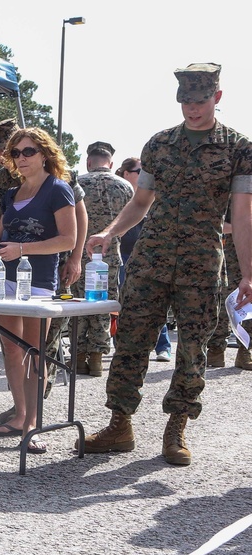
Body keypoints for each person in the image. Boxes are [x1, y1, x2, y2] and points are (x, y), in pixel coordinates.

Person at [84, 63, 252, 466]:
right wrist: (110, 233)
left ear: (217, 97)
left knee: (192, 348)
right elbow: (141, 202)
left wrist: (248, 273)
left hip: (200, 262)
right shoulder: (159, 144)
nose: (192, 109)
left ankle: (176, 428)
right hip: (151, 260)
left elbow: (244, 215)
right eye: (185, 101)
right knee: (131, 342)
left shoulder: (238, 148)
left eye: (200, 101)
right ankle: (119, 424)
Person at [0, 128, 77, 453]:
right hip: (6, 280)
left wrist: (22, 250)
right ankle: (19, 415)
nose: (21, 158)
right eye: (16, 153)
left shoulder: (58, 190)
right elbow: (2, 234)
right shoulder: (12, 193)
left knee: (33, 351)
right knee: (11, 348)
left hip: (39, 281)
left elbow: (67, 240)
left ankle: (32, 423)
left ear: (44, 154)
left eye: (28, 151)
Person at [72, 141, 134, 377]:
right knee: (101, 304)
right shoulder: (125, 186)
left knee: (78, 303)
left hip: (79, 255)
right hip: (109, 256)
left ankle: (78, 356)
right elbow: (130, 223)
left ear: (89, 161)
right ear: (111, 163)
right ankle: (97, 357)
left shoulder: (78, 183)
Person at [117, 157, 173, 363]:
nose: (144, 174)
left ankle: (163, 347)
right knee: (123, 302)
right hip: (120, 255)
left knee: (155, 301)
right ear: (126, 174)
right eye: (139, 171)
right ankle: (123, 347)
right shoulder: (119, 193)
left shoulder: (153, 196)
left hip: (147, 255)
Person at [207, 203, 252, 369]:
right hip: (229, 255)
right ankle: (216, 349)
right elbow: (215, 223)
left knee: (248, 302)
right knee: (225, 300)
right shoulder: (232, 191)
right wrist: (241, 227)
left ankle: (246, 349)